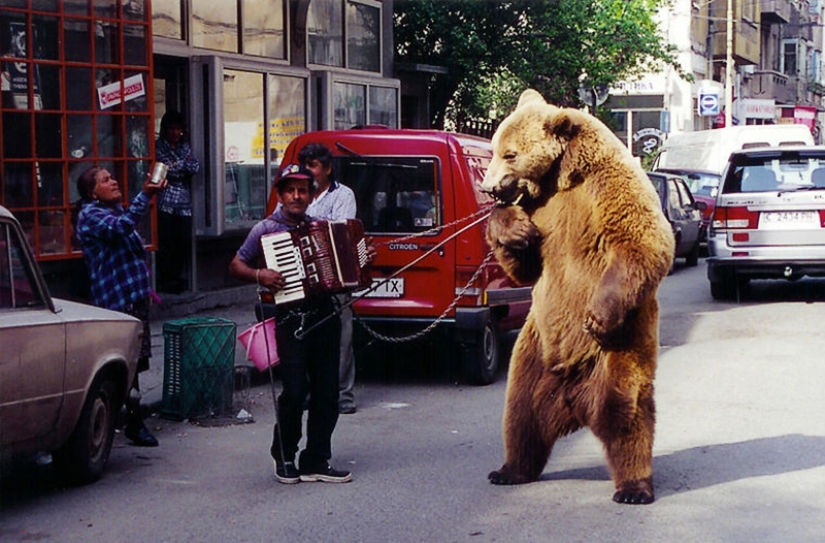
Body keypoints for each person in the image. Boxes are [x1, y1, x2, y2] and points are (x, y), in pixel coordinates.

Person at [229, 163, 374, 484]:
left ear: (311, 195)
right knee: (295, 391)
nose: (296, 196)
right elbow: (236, 264)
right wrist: (260, 275)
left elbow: (347, 270)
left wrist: (361, 258)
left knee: (327, 393)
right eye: (290, 190)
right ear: (280, 195)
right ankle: (284, 454)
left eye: (303, 191)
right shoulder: (265, 230)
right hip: (291, 321)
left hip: (325, 317)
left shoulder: (321, 226)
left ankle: (316, 459)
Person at [73, 166, 166, 447]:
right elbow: (121, 229)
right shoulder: (91, 215)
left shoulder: (114, 210)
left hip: (135, 299)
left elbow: (131, 253)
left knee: (137, 364)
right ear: (92, 192)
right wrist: (145, 194)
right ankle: (132, 424)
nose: (113, 181)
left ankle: (130, 422)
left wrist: (145, 291)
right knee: (124, 364)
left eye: (113, 177)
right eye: (105, 180)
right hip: (117, 303)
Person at [298, 142, 359, 415]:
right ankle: (313, 392)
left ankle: (343, 396)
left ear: (327, 169)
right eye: (305, 165)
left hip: (335, 277)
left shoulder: (343, 195)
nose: (308, 171)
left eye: (313, 166)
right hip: (305, 277)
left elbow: (340, 231)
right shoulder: (298, 193)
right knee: (309, 336)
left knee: (342, 338)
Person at [155, 110, 200, 293]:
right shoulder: (159, 146)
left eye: (178, 129)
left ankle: (176, 278)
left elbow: (194, 165)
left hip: (184, 203)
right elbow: (165, 168)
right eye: (172, 129)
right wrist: (180, 165)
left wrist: (178, 165)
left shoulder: (185, 147)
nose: (175, 133)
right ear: (165, 129)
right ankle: (165, 280)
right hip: (165, 200)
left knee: (181, 242)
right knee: (166, 242)